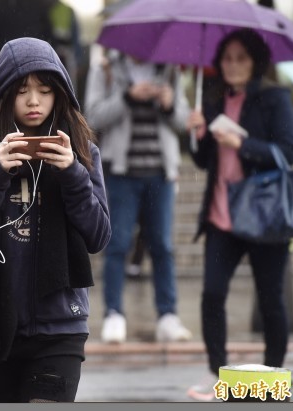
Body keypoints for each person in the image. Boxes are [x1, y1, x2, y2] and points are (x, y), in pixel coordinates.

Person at [0, 37, 111, 403]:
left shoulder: (82, 150)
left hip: (59, 328)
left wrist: (72, 173)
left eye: (45, 90)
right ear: (4, 92)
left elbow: (98, 235)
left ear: (60, 95)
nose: (34, 101)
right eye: (22, 90)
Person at [185, 29, 293, 401]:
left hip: (264, 217)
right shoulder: (215, 98)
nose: (232, 65)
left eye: (241, 58)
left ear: (254, 62)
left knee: (271, 300)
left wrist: (244, 144)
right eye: (227, 58)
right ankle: (220, 376)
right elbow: (205, 161)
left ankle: (269, 382)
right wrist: (198, 134)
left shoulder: (273, 97)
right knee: (212, 295)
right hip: (222, 217)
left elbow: (289, 151)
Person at [84, 49, 192, 344]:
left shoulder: (170, 67)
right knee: (117, 244)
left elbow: (184, 121)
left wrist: (169, 105)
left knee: (163, 246)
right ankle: (114, 314)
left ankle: (168, 316)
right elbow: (91, 117)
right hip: (121, 171)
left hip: (161, 171)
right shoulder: (106, 68)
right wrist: (129, 97)